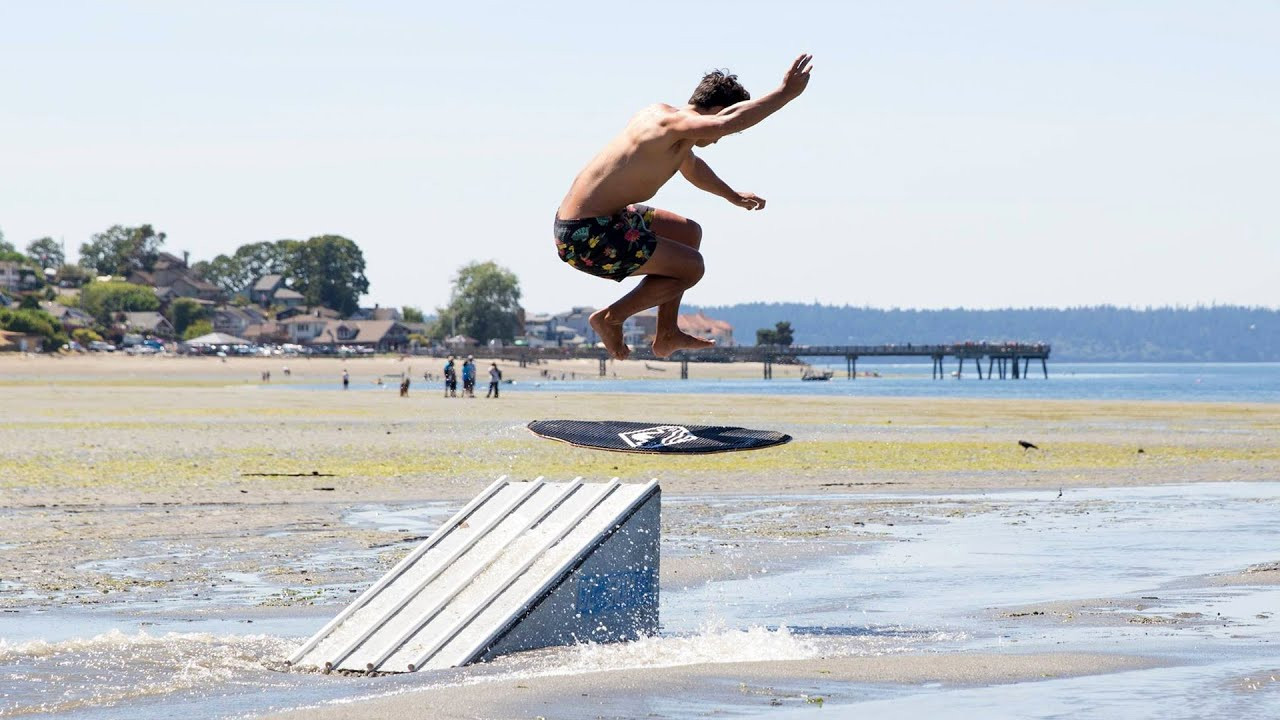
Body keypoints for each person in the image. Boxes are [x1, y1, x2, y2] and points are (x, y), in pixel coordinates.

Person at [554, 54, 814, 360]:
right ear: (715, 111)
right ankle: (611, 318)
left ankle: (667, 332)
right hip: (585, 235)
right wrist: (784, 94)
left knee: (688, 233)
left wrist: (732, 196)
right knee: (692, 267)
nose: (718, 140)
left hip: (606, 219)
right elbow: (727, 122)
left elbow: (692, 167)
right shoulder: (668, 123)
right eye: (722, 133)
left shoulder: (672, 133)